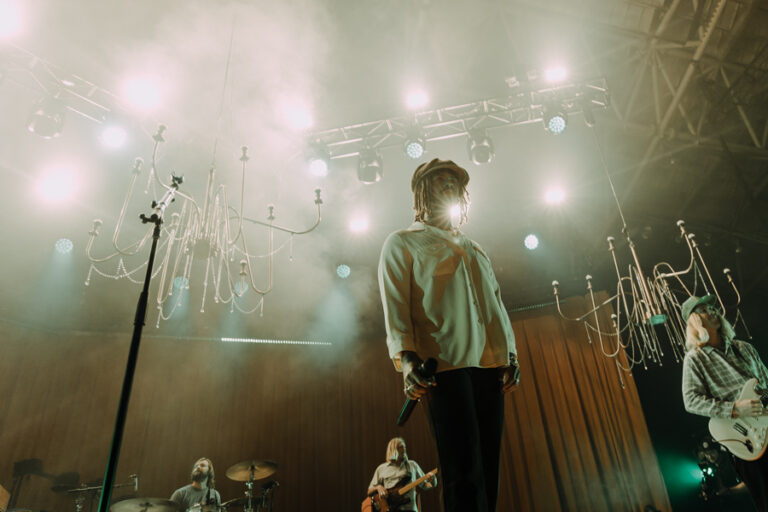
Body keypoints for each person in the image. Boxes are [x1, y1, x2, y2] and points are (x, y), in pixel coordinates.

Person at [377, 158, 519, 512]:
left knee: (488, 468)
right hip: (444, 367)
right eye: (440, 180)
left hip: (489, 366)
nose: (450, 185)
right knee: (462, 471)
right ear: (421, 192)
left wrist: (511, 355)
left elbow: (496, 305)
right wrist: (407, 362)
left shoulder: (475, 248)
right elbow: (396, 307)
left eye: (455, 181)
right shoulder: (402, 242)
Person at [681, 294, 768, 511]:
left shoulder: (744, 348)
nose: (713, 311)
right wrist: (735, 409)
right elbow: (691, 400)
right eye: (704, 309)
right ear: (695, 320)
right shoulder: (695, 359)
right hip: (745, 436)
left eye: (712, 307)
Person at [366, 437, 436, 512]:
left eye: (405, 447)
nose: (404, 449)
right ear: (393, 449)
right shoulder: (381, 468)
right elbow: (369, 492)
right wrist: (378, 487)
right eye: (401, 447)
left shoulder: (412, 465)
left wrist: (433, 480)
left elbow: (426, 485)